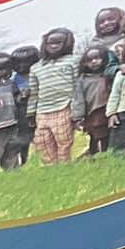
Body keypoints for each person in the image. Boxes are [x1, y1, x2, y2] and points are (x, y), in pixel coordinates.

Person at [25, 27, 79, 166]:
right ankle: (51, 169)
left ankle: (65, 168)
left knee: (63, 141)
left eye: (58, 43)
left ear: (67, 44)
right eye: (50, 43)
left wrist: (77, 111)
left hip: (63, 107)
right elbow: (34, 92)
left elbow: (77, 86)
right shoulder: (36, 68)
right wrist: (31, 113)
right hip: (42, 111)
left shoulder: (73, 61)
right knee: (42, 142)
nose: (54, 46)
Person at [72, 46, 113, 156]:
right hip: (92, 113)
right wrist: (77, 117)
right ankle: (94, 155)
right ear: (84, 63)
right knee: (95, 136)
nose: (94, 62)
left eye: (97, 58)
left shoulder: (108, 75)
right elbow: (79, 100)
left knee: (108, 136)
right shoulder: (82, 80)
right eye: (89, 60)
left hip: (109, 110)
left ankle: (109, 155)